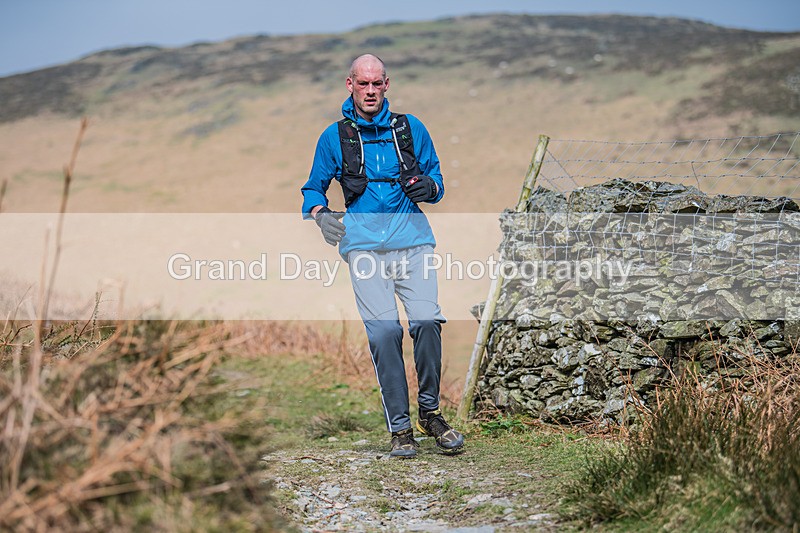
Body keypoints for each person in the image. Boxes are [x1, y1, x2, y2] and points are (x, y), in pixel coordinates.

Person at [300, 54, 465, 458]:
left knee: (427, 322)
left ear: (386, 85)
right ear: (350, 85)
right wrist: (322, 216)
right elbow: (312, 191)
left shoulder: (411, 129)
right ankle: (401, 428)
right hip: (364, 248)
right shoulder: (333, 137)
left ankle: (430, 413)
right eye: (363, 84)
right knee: (384, 333)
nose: (370, 91)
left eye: (377, 84)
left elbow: (437, 180)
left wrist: (429, 188)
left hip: (413, 241)